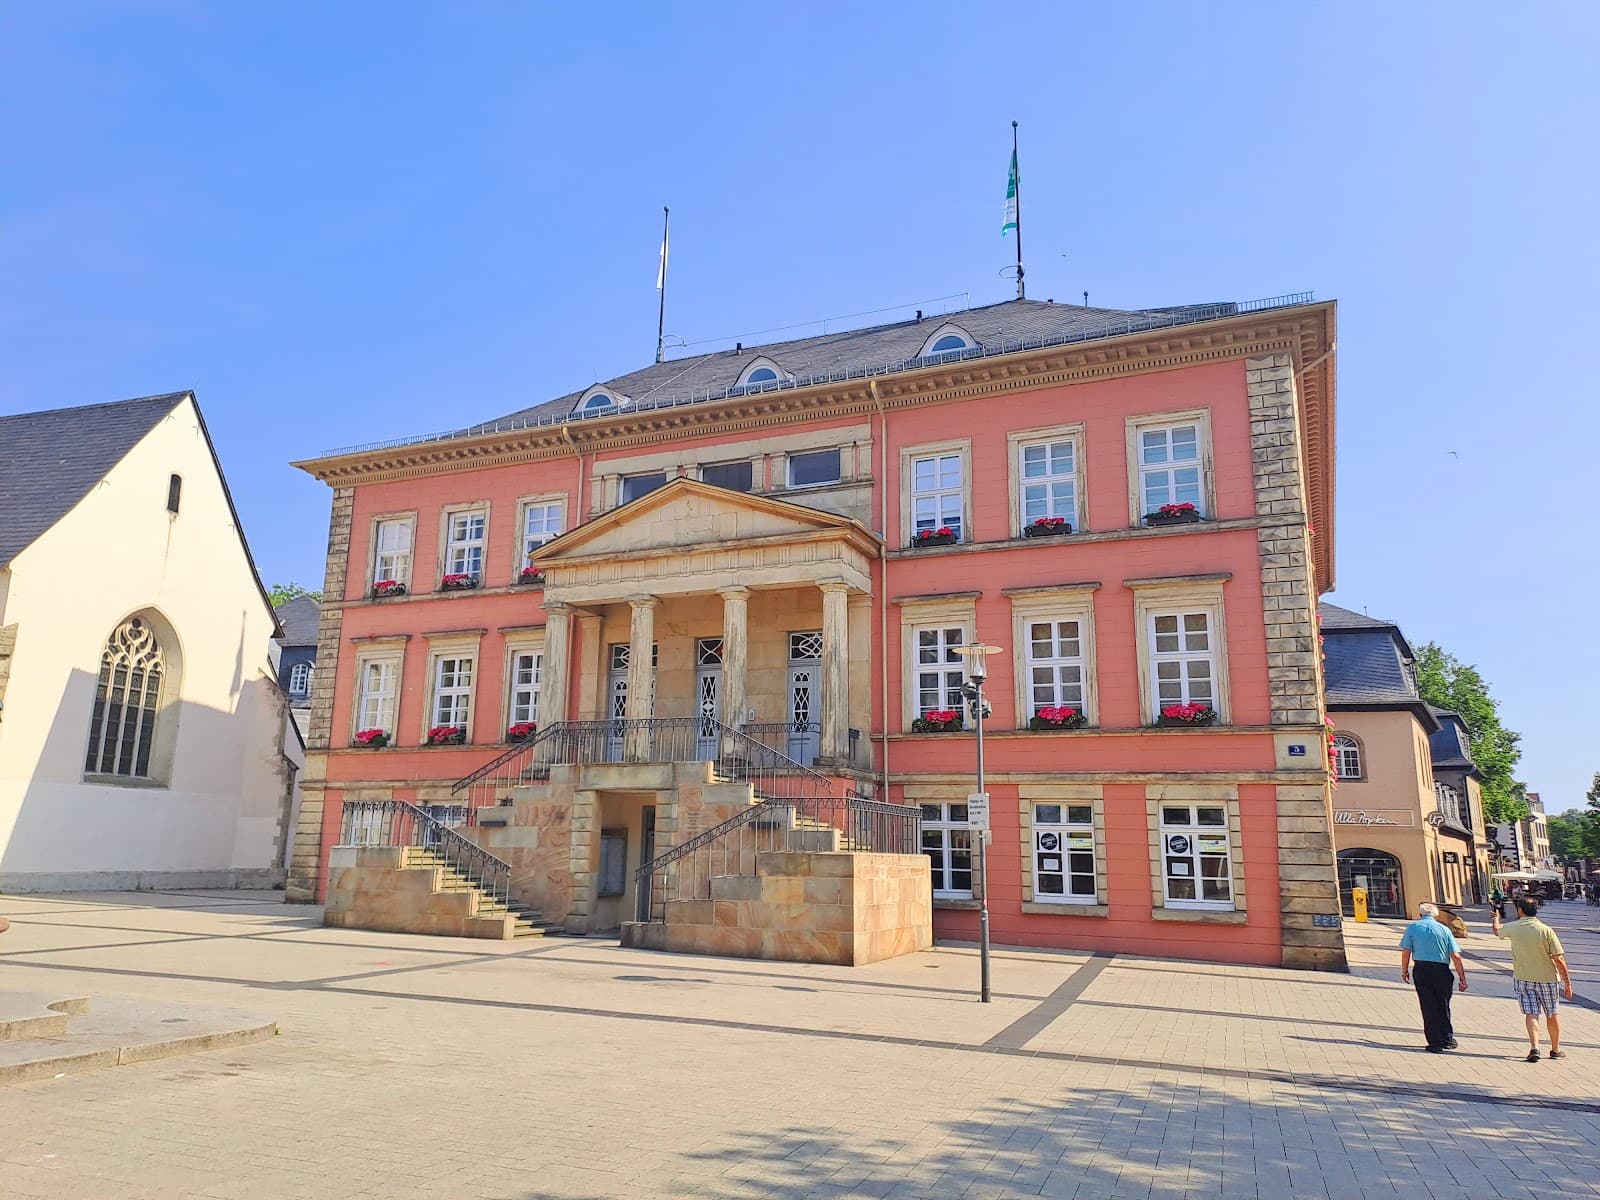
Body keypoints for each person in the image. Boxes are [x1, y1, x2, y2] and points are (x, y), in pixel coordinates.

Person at [1492, 896, 1574, 1062]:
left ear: (1520, 911)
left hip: (1523, 978)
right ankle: (1555, 1049)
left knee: (1531, 1013)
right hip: (1547, 979)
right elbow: (1559, 958)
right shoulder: (1546, 930)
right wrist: (1567, 981)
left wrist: (1496, 918)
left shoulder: (1513, 927)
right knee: (1551, 1013)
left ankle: (1534, 1047)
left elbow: (1497, 931)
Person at [1399, 902, 1468, 1053]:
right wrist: (1462, 978)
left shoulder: (1413, 928)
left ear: (1420, 915)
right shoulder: (1444, 930)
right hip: (1442, 970)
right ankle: (1447, 1038)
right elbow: (1456, 956)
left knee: (1428, 1005)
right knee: (1443, 1004)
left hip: (1422, 969)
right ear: (1436, 915)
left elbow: (1406, 951)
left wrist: (1404, 970)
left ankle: (1434, 1042)